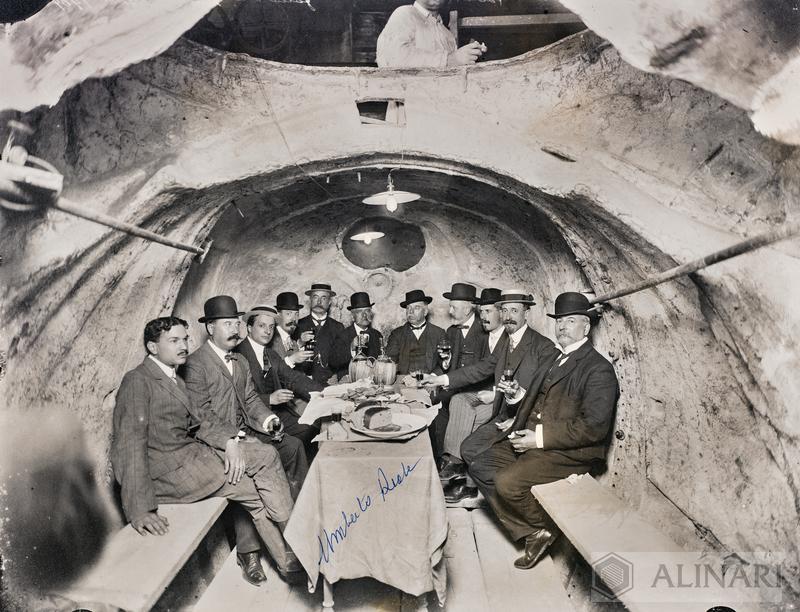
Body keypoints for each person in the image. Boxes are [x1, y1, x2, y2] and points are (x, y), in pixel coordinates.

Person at [111, 316, 300, 587]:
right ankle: (291, 548)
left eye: (185, 339)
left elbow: (200, 422)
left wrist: (230, 442)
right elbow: (128, 445)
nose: (183, 346)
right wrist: (140, 509)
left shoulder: (174, 377)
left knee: (263, 468)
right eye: (173, 341)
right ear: (153, 347)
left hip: (191, 460)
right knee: (258, 476)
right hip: (169, 474)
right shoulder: (138, 381)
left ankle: (289, 558)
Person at [462, 293, 618, 569]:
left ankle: (543, 525)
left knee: (507, 483)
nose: (562, 327)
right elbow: (538, 401)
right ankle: (534, 530)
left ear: (586, 327)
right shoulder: (556, 359)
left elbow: (593, 428)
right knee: (479, 464)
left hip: (569, 451)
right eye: (559, 322)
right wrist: (516, 396)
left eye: (571, 321)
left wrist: (539, 439)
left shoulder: (598, 369)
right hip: (535, 439)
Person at [181, 296, 308, 585]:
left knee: (290, 446)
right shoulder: (195, 365)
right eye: (227, 324)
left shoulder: (238, 360)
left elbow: (250, 400)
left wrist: (268, 420)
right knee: (250, 476)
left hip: (246, 434)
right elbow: (200, 417)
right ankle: (250, 552)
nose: (234, 328)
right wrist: (233, 439)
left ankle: (291, 530)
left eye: (236, 322)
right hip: (213, 443)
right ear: (210, 328)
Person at [440, 288, 558, 504]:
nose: (508, 317)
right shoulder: (507, 342)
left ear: (526, 313)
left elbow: (546, 394)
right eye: (504, 310)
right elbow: (483, 367)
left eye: (515, 310)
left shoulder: (544, 347)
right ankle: (477, 486)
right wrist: (443, 380)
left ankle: (506, 500)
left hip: (524, 419)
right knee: (468, 447)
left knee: (475, 448)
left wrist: (520, 419)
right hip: (503, 413)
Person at [425, 287, 505, 488]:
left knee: (457, 406)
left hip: (479, 390)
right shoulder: (452, 331)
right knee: (434, 409)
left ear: (469, 307)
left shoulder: (487, 330)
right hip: (457, 388)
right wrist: (444, 366)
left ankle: (453, 467)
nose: (450, 311)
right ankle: (440, 462)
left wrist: (442, 380)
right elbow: (450, 365)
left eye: (453, 306)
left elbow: (483, 369)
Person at [235, 305, 323, 453]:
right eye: (262, 326)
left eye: (271, 326)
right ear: (249, 328)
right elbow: (238, 399)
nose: (268, 331)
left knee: (311, 430)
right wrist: (269, 398)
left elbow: (294, 378)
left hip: (278, 413)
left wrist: (325, 393)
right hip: (251, 420)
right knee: (294, 445)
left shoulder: (271, 354)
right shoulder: (238, 355)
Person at [376, 0, 486, 68]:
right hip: (410, 104)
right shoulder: (405, 14)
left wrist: (469, 56)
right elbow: (390, 58)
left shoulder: (447, 34)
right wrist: (450, 60)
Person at [293, 283, 351, 385]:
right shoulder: (297, 326)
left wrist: (339, 377)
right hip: (302, 384)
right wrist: (300, 342)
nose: (319, 302)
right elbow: (286, 356)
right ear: (310, 301)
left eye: (324, 298)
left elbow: (343, 360)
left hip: (330, 384)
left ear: (329, 302)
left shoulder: (338, 327)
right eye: (315, 297)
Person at [385, 289, 446, 376]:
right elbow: (389, 361)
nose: (411, 312)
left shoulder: (439, 333)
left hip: (431, 381)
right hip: (403, 382)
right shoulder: (396, 334)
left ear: (425, 312)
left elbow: (445, 363)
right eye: (408, 308)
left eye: (416, 307)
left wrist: (433, 377)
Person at [268, 292, 314, 368]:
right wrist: (292, 359)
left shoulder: (290, 339)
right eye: (288, 314)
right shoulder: (269, 338)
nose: (294, 319)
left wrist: (300, 342)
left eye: (296, 314)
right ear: (278, 315)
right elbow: (271, 372)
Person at [342, 291, 384, 360]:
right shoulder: (343, 335)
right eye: (359, 311)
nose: (364, 315)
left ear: (371, 314)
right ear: (352, 316)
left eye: (367, 311)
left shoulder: (377, 335)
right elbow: (334, 362)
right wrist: (352, 347)